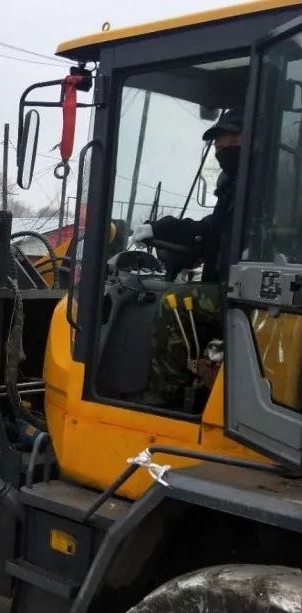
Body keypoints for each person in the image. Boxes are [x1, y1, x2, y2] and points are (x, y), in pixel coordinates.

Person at [134, 107, 241, 408]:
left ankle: (164, 398)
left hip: (240, 294)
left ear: (252, 137)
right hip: (232, 289)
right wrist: (159, 228)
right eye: (218, 139)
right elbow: (209, 232)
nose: (221, 145)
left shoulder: (258, 189)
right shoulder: (235, 189)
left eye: (230, 136)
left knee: (175, 302)